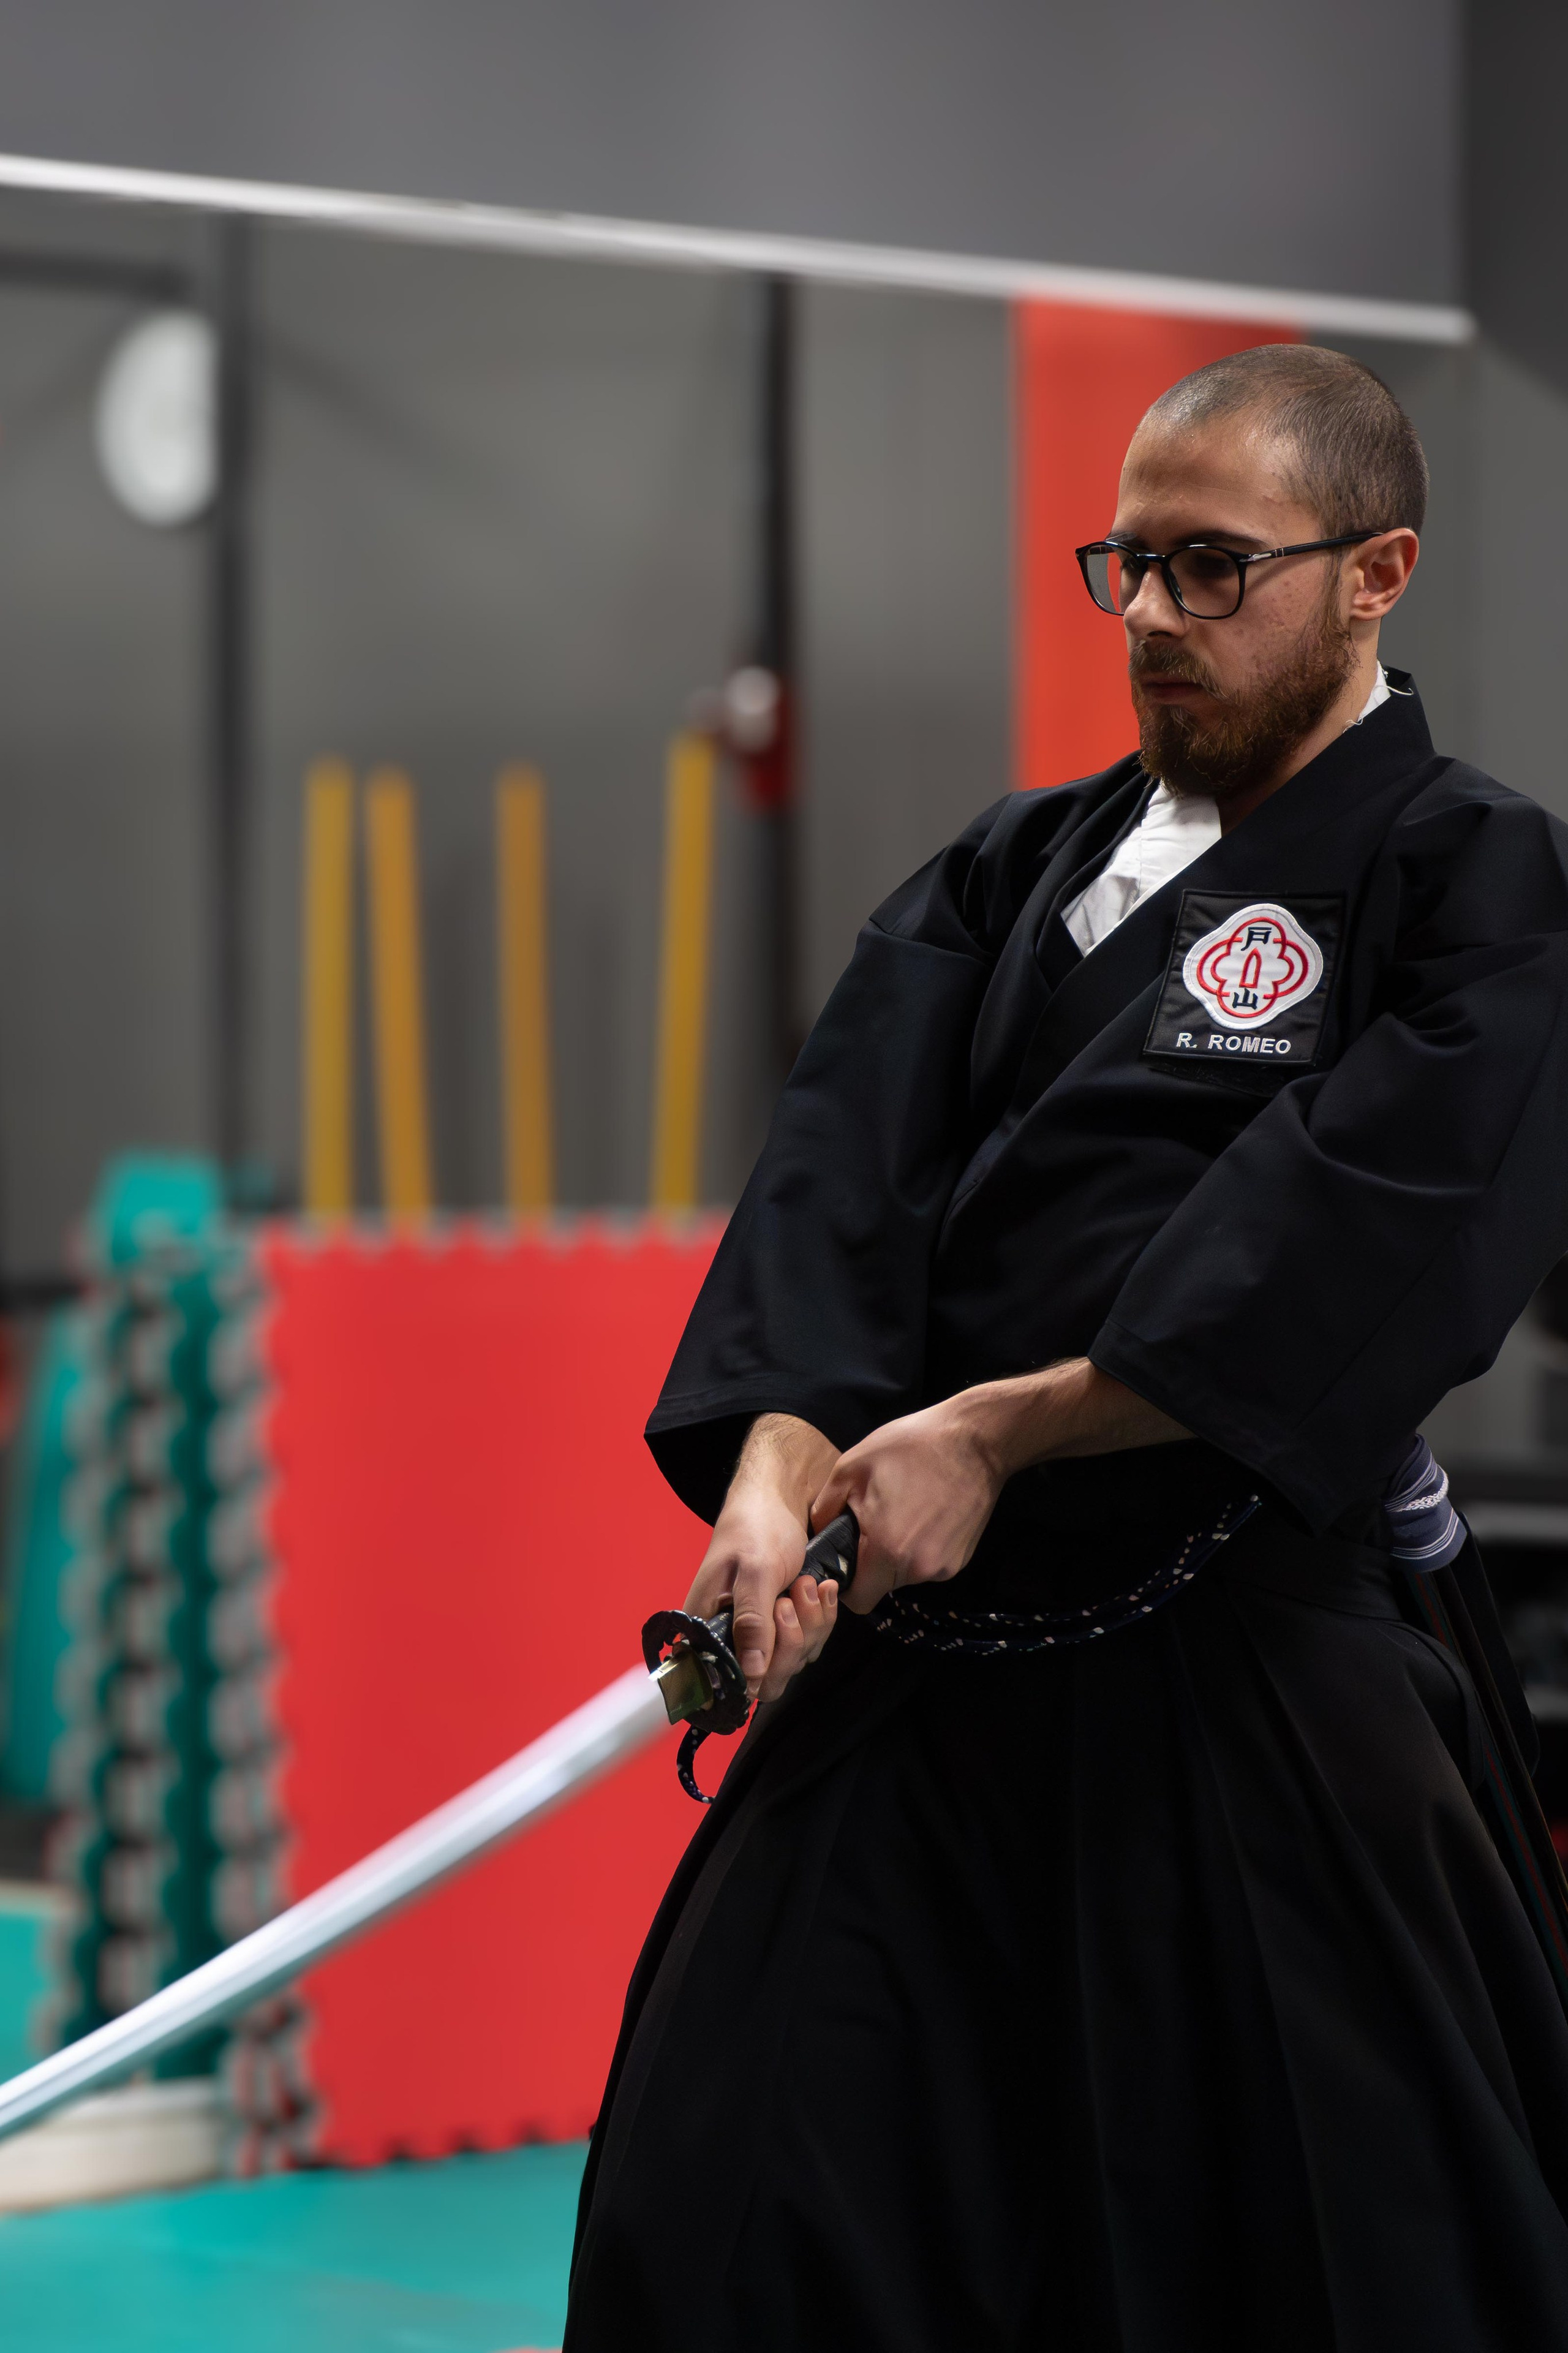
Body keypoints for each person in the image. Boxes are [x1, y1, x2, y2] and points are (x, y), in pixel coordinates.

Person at [564, 345, 1568, 2352]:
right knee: (728, 2179)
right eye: (1130, 571)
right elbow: (839, 1177)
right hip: (923, 1641)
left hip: (1250, 1652)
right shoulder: (1012, 868)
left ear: (1379, 571)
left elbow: (1363, 1224)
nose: (1160, 626)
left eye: (1219, 573)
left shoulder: (1467, 874)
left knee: (1327, 2239)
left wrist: (1009, 1432)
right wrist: (781, 1468)